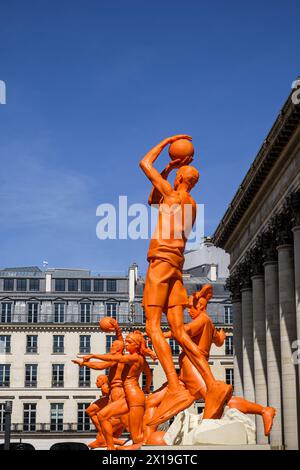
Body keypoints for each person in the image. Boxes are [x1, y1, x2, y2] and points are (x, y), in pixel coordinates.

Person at [140, 135, 232, 425]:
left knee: (152, 325)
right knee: (179, 331)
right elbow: (152, 199)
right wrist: (169, 170)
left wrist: (167, 142)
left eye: (176, 172)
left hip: (161, 263)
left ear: (181, 177)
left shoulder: (173, 195)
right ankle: (213, 383)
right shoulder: (189, 204)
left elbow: (144, 163)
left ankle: (176, 386)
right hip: (176, 269)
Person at [92, 330, 156, 450]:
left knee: (137, 437)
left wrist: (93, 356)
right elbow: (149, 374)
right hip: (129, 397)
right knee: (102, 415)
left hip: (135, 398)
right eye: (126, 342)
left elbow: (115, 358)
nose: (126, 344)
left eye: (129, 342)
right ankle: (110, 447)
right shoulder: (140, 358)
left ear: (136, 345)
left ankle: (136, 446)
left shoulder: (135, 358)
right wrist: (147, 387)